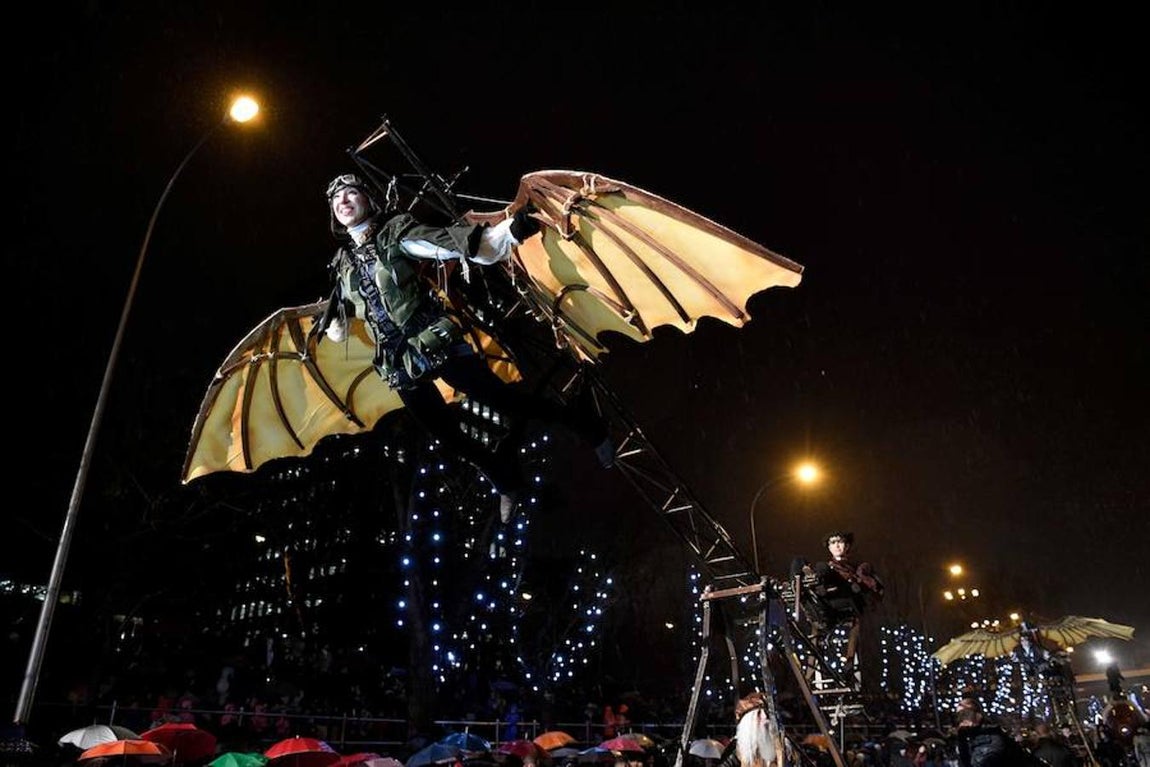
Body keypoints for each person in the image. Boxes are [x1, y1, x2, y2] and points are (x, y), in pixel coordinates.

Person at [318, 173, 614, 522]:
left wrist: (507, 234)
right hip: (398, 364)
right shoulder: (342, 265)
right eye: (337, 198)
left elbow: (450, 244)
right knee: (447, 435)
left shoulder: (394, 233)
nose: (344, 201)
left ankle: (584, 423)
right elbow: (343, 320)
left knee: (502, 401)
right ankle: (506, 481)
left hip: (432, 338)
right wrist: (333, 322)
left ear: (369, 200)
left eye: (352, 193)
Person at [791, 531, 884, 673]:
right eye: (832, 543)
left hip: (844, 601)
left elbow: (871, 584)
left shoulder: (855, 565)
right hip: (824, 605)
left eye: (839, 542)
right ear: (829, 547)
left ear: (847, 546)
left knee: (823, 567)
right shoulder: (828, 565)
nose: (836, 545)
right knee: (800, 561)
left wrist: (859, 581)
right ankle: (798, 586)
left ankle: (814, 586)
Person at [953, 697, 1044, 767]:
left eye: (966, 714)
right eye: (959, 716)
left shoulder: (990, 738)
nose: (963, 719)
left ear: (978, 715)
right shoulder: (974, 738)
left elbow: (981, 762)